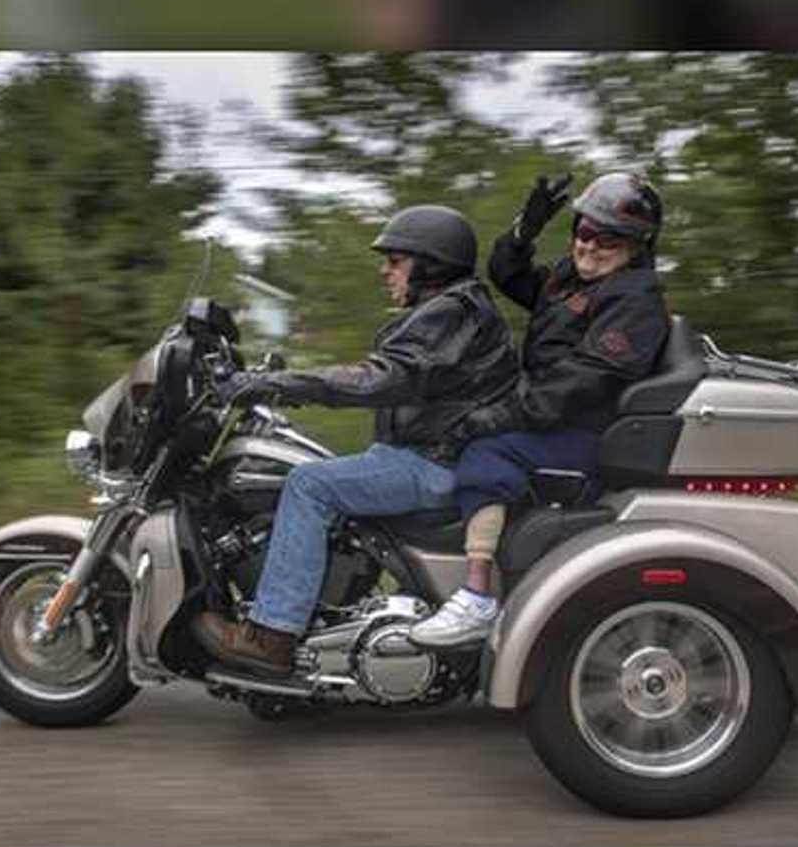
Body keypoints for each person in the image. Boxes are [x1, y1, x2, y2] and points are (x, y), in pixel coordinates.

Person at [192, 205, 520, 676]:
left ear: (431, 264)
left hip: (435, 463)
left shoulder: (451, 311)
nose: (385, 271)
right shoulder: (445, 310)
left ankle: (272, 636)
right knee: (304, 465)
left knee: (308, 484)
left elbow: (381, 379)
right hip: (420, 453)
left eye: (396, 260)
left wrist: (279, 385)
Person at [408, 172, 672, 647]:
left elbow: (583, 381)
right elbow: (508, 276)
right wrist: (524, 230)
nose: (589, 247)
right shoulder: (574, 281)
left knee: (486, 452)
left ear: (637, 245)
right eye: (583, 232)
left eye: (608, 239)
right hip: (554, 417)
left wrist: (502, 415)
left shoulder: (636, 300)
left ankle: (476, 596)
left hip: (587, 432)